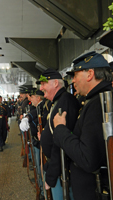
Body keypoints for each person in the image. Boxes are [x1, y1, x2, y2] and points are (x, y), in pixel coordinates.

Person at [53, 51, 112, 200]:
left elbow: (88, 159)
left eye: (75, 75)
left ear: (90, 74)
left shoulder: (98, 104)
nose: (73, 81)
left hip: (92, 191)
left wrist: (60, 129)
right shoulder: (95, 99)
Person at [36, 68, 79, 200]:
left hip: (61, 170)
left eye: (43, 84)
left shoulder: (65, 101)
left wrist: (52, 175)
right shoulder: (58, 101)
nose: (41, 88)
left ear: (55, 84)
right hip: (57, 166)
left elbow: (61, 140)